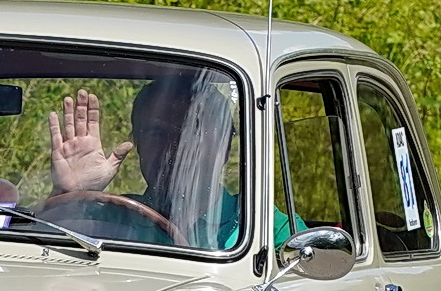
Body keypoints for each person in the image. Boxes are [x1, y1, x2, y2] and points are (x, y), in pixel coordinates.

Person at [37, 79, 300, 249]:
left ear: (225, 146)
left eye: (191, 135)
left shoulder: (262, 226)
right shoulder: (106, 217)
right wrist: (70, 194)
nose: (174, 149)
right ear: (137, 144)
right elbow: (40, 256)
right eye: (156, 134)